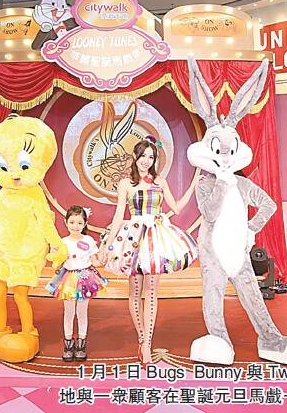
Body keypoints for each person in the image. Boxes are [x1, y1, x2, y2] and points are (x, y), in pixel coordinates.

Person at [102, 137, 198, 365]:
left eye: (151, 157)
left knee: (152, 292)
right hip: (134, 238)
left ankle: (147, 345)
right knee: (135, 291)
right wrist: (106, 245)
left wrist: (194, 184)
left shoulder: (160, 181)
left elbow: (175, 208)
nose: (146, 160)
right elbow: (119, 215)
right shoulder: (126, 184)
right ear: (135, 157)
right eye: (143, 156)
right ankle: (141, 338)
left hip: (156, 239)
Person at [46, 206, 107, 361]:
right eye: (72, 222)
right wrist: (55, 257)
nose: (75, 226)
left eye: (79, 223)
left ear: (85, 224)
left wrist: (105, 256)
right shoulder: (62, 242)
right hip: (68, 279)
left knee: (82, 312)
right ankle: (68, 344)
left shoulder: (89, 240)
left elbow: (95, 261)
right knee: (68, 312)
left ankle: (81, 343)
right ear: (66, 222)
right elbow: (57, 261)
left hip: (85, 278)